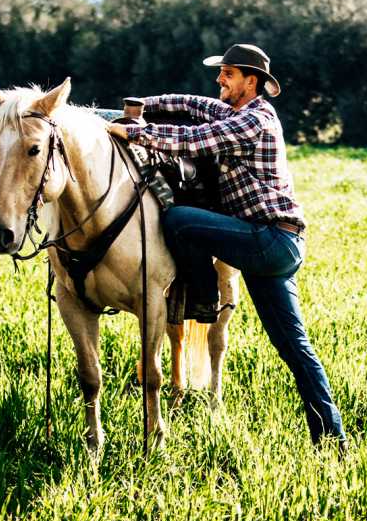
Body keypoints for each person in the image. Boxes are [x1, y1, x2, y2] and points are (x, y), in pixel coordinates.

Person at [106, 43, 346, 446]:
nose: (220, 79)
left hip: (270, 239)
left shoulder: (255, 121)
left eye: (228, 74)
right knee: (294, 347)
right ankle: (332, 438)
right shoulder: (233, 110)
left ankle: (201, 297)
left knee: (179, 219)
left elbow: (194, 139)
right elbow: (188, 104)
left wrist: (135, 132)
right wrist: (140, 105)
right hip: (270, 244)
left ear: (251, 82)